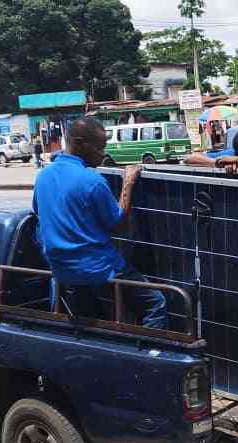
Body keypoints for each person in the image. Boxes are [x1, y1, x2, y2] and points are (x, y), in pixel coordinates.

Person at [32, 117, 168, 329]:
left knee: (87, 317)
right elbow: (118, 224)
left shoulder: (43, 176)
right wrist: (128, 183)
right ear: (79, 143)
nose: (103, 154)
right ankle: (150, 356)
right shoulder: (92, 181)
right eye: (99, 147)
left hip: (62, 268)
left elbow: (39, 212)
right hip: (98, 267)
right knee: (155, 303)